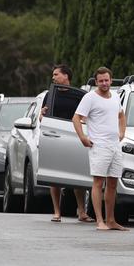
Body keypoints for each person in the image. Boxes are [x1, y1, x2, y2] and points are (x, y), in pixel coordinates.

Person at [72, 66, 128, 231]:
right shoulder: (90, 98)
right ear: (96, 82)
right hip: (99, 145)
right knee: (98, 182)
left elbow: (121, 115)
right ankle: (100, 221)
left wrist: (122, 132)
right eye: (101, 80)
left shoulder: (116, 96)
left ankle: (111, 220)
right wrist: (83, 137)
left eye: (107, 80)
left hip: (115, 146)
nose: (104, 83)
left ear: (111, 80)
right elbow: (76, 118)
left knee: (112, 183)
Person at [40, 64, 92, 223]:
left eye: (56, 74)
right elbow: (42, 117)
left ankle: (82, 212)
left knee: (78, 176)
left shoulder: (78, 96)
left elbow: (85, 116)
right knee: (54, 177)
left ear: (66, 76)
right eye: (53, 74)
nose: (53, 77)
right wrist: (42, 115)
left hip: (74, 137)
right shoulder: (50, 94)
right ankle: (57, 212)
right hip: (54, 137)